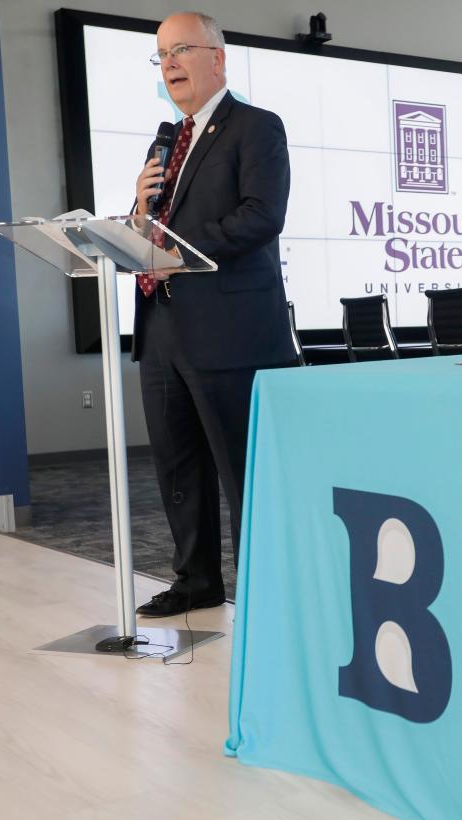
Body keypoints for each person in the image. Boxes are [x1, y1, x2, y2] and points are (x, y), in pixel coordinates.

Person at [131, 11, 296, 617]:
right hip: (163, 327)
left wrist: (176, 247)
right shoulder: (167, 142)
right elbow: (151, 232)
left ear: (218, 58)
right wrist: (139, 212)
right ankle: (196, 580)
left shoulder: (255, 128)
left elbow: (261, 216)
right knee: (178, 466)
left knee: (241, 471)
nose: (170, 64)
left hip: (232, 333)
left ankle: (262, 587)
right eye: (161, 56)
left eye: (181, 50)